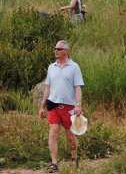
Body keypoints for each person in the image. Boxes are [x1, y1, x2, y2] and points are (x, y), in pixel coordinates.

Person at [39, 40, 84, 173]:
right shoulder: (51, 67)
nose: (55, 51)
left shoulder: (74, 67)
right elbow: (48, 87)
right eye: (55, 48)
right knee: (53, 132)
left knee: (70, 135)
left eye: (58, 49)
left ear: (66, 51)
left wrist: (78, 105)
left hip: (69, 106)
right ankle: (54, 163)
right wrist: (42, 106)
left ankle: (75, 158)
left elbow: (78, 87)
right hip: (53, 104)